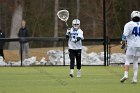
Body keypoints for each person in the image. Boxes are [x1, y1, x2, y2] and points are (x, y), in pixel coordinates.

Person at [120, 11, 140, 84]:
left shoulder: (128, 24)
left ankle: (126, 75)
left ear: (132, 17)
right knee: (135, 61)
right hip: (139, 45)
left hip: (131, 45)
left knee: (127, 60)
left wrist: (123, 43)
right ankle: (134, 79)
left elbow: (124, 35)